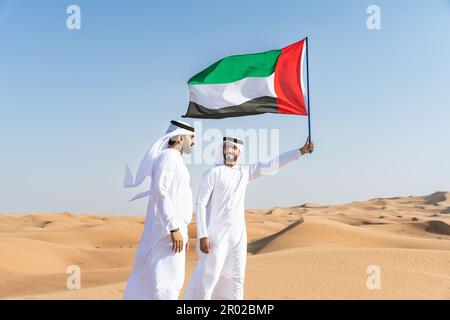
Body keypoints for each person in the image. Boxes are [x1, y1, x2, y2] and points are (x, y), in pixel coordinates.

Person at [184, 136, 314, 300]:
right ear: (222, 150)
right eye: (227, 147)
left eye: (234, 148)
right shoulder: (212, 173)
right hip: (215, 237)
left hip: (238, 237)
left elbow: (273, 163)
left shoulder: (244, 172)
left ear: (239, 152)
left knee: (236, 279)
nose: (230, 150)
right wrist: (203, 234)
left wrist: (300, 152)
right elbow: (200, 203)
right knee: (208, 278)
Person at [123, 120, 195, 300]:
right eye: (191, 137)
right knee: (168, 284)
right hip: (167, 231)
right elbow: (160, 191)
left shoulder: (174, 159)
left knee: (167, 281)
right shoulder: (168, 157)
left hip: (174, 230)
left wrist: (182, 230)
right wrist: (174, 228)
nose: (194, 142)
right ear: (180, 138)